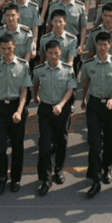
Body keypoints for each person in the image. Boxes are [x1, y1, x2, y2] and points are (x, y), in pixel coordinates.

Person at [0, 33, 33, 195]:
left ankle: (16, 178)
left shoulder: (23, 65)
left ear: (15, 46)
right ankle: (1, 177)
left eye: (9, 48)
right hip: (0, 107)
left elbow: (24, 91)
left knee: (17, 147)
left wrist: (20, 111)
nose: (6, 51)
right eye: (3, 48)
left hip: (16, 107)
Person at [80, 31, 112, 197]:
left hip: (110, 105)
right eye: (99, 44)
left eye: (105, 44)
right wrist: (84, 99)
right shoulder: (88, 64)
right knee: (94, 142)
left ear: (110, 45)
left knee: (109, 139)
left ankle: (107, 167)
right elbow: (86, 82)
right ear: (96, 45)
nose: (102, 47)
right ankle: (95, 178)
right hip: (94, 104)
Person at [32, 39, 76, 196]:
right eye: (50, 53)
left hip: (61, 109)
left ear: (60, 53)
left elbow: (70, 89)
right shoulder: (39, 70)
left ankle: (58, 169)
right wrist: (36, 96)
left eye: (56, 53)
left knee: (61, 140)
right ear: (46, 54)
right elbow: (35, 84)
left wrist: (62, 105)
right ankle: (45, 179)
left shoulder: (67, 70)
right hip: (45, 109)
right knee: (44, 145)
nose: (53, 56)